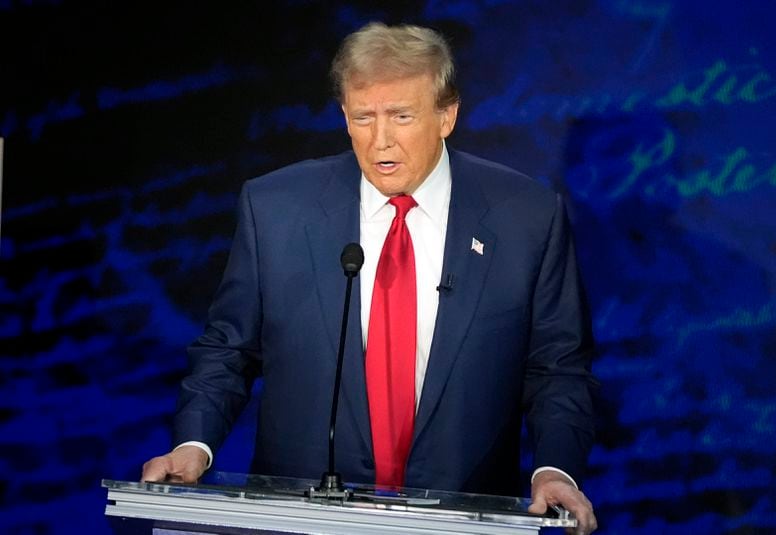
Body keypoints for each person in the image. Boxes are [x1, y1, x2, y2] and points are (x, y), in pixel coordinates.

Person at [142, 22, 598, 533]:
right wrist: (193, 445)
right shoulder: (275, 210)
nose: (381, 141)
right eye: (363, 117)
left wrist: (555, 468)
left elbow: (558, 369)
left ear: (447, 115)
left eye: (401, 116)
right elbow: (229, 349)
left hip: (462, 519)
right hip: (300, 517)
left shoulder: (527, 217)